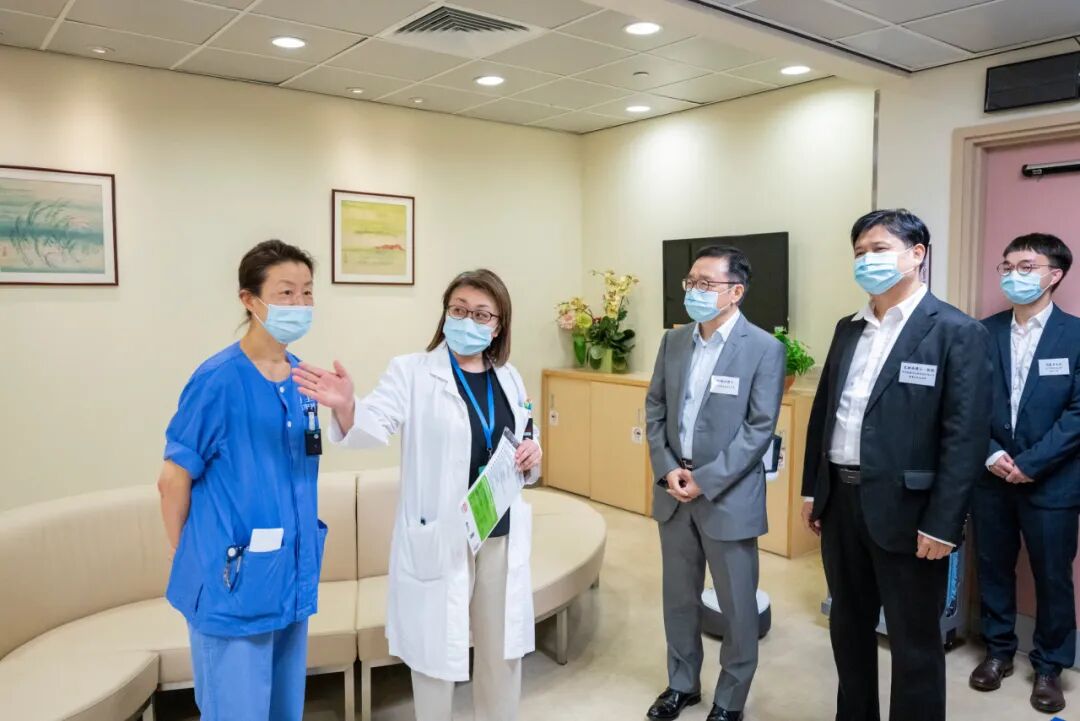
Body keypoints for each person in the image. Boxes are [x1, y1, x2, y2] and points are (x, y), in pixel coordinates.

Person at [292, 269, 542, 721]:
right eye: (458, 310)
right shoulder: (412, 371)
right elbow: (374, 425)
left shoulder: (510, 377)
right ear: (445, 314)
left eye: (481, 314)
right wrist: (348, 406)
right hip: (442, 536)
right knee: (435, 655)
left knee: (501, 651)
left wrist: (532, 452)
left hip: (499, 533)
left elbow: (524, 435)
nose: (467, 320)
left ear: (498, 325)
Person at [801, 209, 992, 721]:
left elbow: (965, 438)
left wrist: (944, 523)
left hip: (912, 513)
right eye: (860, 252)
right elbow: (824, 415)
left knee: (914, 643)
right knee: (848, 628)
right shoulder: (848, 329)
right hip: (841, 502)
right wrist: (813, 490)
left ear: (917, 254)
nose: (867, 260)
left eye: (879, 249)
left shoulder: (956, 331)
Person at [157, 240, 325, 721]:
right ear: (249, 300)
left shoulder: (303, 380)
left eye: (307, 292)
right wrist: (191, 552)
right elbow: (172, 479)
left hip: (289, 579)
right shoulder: (218, 380)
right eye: (286, 292)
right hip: (231, 586)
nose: (299, 304)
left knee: (283, 712)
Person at [644, 245, 786, 721]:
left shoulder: (763, 348)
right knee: (678, 599)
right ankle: (682, 684)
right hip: (673, 491)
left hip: (728, 496)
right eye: (691, 282)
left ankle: (730, 700)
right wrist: (667, 467)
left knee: (737, 607)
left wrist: (704, 480)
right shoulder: (674, 341)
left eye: (706, 284)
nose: (695, 291)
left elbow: (758, 430)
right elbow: (655, 407)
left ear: (736, 292)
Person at [969, 233, 1080, 714]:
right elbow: (966, 403)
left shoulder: (1075, 335)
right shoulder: (981, 332)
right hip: (990, 477)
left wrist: (1032, 464)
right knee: (992, 566)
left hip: (1054, 482)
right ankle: (997, 651)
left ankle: (1050, 666)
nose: (1014, 274)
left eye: (1027, 266)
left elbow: (1078, 414)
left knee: (1052, 576)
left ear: (1055, 275)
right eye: (1008, 266)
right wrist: (991, 454)